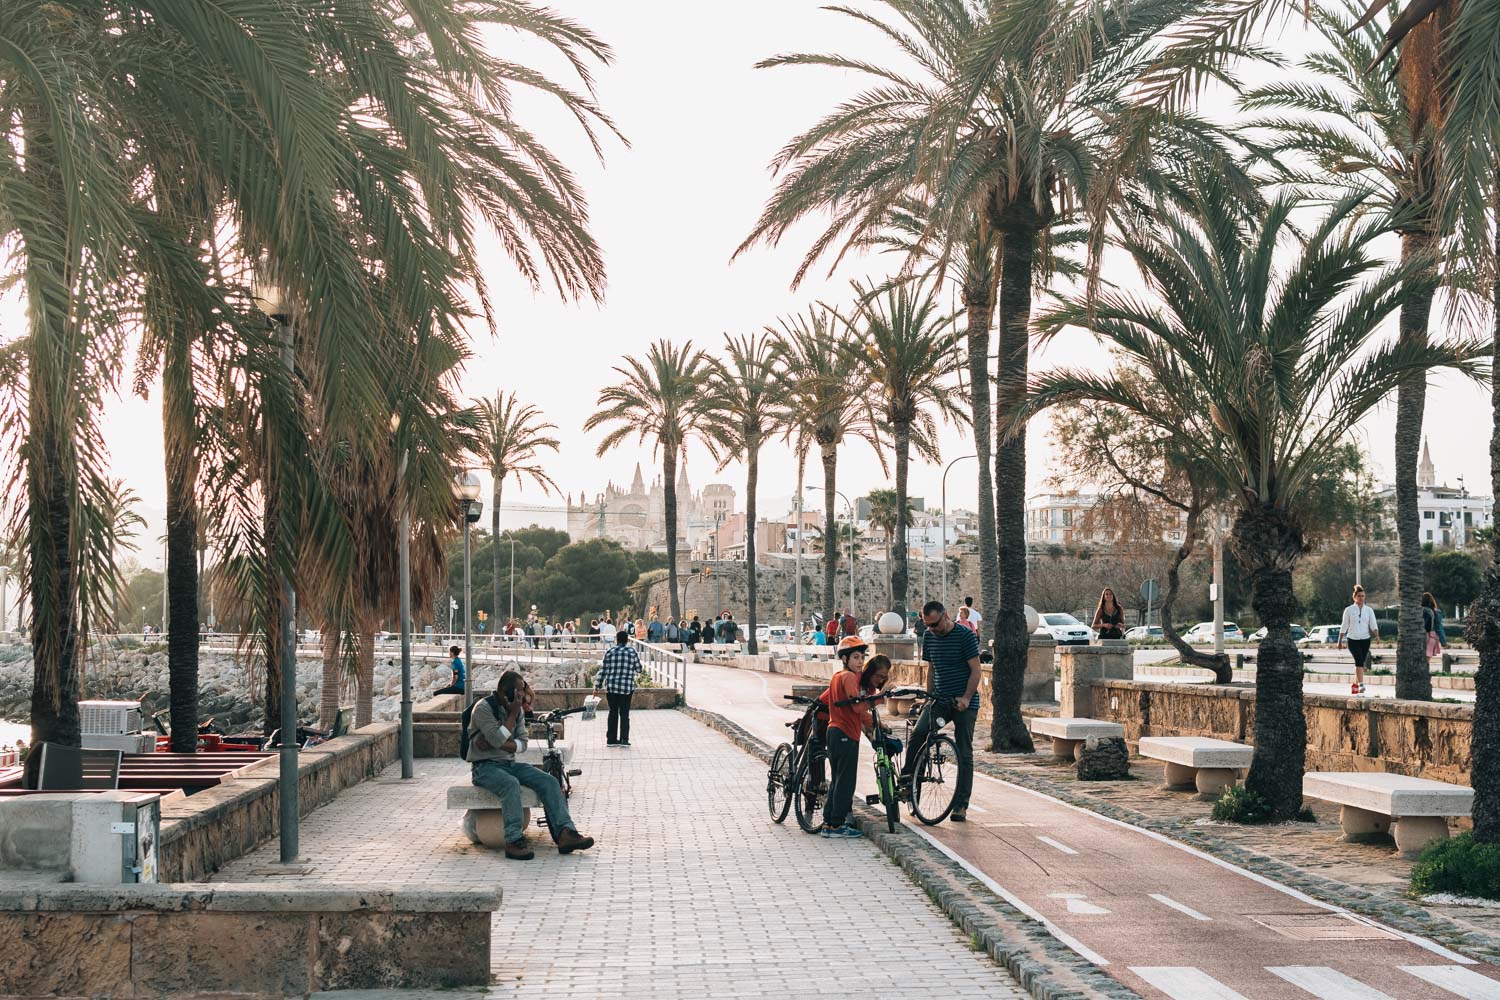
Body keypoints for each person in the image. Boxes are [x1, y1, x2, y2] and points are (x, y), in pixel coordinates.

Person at [467, 670, 595, 860]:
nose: (521, 696)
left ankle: (565, 833)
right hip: (485, 767)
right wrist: (509, 720)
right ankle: (513, 840)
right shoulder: (483, 708)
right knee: (510, 784)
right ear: (505, 691)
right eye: (518, 691)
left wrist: (498, 742)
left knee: (549, 781)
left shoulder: (517, 710)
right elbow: (498, 738)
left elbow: (522, 744)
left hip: (509, 763)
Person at [900, 601, 981, 822]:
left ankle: (960, 805)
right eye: (928, 625)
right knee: (919, 734)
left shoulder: (965, 636)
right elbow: (931, 668)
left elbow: (976, 670)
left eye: (935, 624)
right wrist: (928, 697)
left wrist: (966, 697)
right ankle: (910, 784)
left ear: (945, 616)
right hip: (940, 700)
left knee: (964, 751)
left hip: (964, 701)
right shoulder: (929, 636)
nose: (933, 629)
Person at [822, 636, 873, 838]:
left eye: (862, 657)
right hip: (845, 733)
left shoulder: (837, 677)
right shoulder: (849, 678)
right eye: (855, 657)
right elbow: (858, 706)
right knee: (846, 782)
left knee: (836, 780)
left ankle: (829, 823)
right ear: (845, 659)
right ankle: (836, 825)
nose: (860, 662)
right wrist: (879, 698)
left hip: (833, 731)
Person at [594, 630, 641, 746]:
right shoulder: (632, 651)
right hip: (626, 689)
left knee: (613, 712)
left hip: (612, 688)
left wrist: (597, 686)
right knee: (624, 713)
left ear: (616, 639)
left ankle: (611, 739)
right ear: (627, 640)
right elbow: (639, 669)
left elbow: (603, 670)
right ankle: (624, 739)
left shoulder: (610, 651)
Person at [1338, 584, 1378, 695]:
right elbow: (1344, 625)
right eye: (1359, 596)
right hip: (1352, 639)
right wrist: (1340, 641)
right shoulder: (1349, 610)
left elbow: (1373, 624)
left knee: (1360, 664)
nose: (1361, 598)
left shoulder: (1369, 610)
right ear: (1354, 597)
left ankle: (1355, 687)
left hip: (1365, 639)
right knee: (1359, 661)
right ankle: (1361, 685)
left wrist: (1377, 636)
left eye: (1363, 596)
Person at [1423, 592, 1448, 663]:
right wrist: (1443, 642)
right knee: (1427, 658)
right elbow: (1439, 628)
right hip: (1431, 636)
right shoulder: (1436, 612)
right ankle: (1425, 672)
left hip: (1419, 635)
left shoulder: (1417, 611)